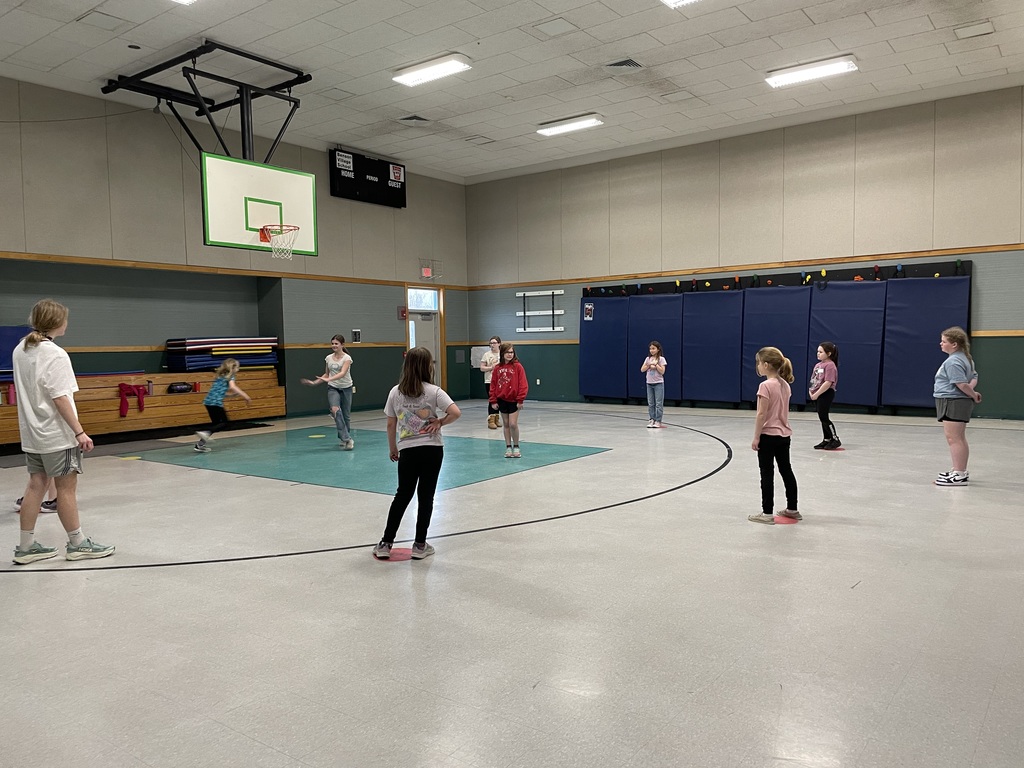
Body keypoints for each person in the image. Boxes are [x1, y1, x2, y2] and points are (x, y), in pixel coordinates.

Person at [11, 299, 115, 564]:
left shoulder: (20, 350)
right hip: (56, 435)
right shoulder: (55, 354)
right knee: (66, 489)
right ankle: (78, 543)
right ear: (57, 322)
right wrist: (79, 432)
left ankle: (26, 546)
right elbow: (60, 397)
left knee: (36, 485)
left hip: (33, 434)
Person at [373, 347, 461, 560]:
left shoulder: (396, 392)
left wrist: (393, 448)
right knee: (426, 496)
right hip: (432, 449)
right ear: (427, 366)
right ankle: (420, 545)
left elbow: (390, 423)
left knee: (402, 495)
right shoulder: (434, 391)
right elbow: (455, 412)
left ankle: (386, 542)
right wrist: (440, 422)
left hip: (408, 450)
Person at [748, 346, 800, 525]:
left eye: (759, 363)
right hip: (784, 436)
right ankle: (792, 508)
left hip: (768, 436)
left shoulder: (765, 386)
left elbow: (761, 414)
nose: (758, 366)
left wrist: (756, 437)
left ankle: (767, 512)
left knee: (767, 473)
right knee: (786, 470)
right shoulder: (785, 384)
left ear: (766, 365)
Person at [933, 326, 981, 486]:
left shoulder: (954, 361)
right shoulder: (965, 358)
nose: (940, 344)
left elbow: (960, 383)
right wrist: (971, 391)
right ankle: (958, 469)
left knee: (954, 438)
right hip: (955, 400)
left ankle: (959, 474)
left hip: (952, 401)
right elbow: (973, 377)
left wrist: (972, 395)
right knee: (957, 437)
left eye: (944, 341)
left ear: (954, 344)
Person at [301, 334, 354, 449]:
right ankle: (347, 439)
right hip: (333, 387)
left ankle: (344, 437)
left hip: (346, 388)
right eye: (332, 343)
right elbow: (326, 374)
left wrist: (329, 379)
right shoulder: (328, 358)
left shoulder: (347, 358)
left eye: (336, 344)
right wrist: (314, 382)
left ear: (342, 345)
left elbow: (342, 373)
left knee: (346, 416)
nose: (334, 346)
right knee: (335, 410)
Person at [194, 358, 251, 452]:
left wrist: (231, 395)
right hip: (215, 403)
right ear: (232, 368)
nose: (239, 369)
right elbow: (233, 387)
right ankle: (205, 432)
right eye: (238, 367)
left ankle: (199, 445)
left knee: (216, 425)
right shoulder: (231, 376)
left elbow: (218, 392)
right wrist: (246, 396)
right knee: (225, 423)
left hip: (208, 402)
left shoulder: (220, 376)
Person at [489, 342, 529, 458]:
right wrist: (493, 400)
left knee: (513, 424)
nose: (509, 355)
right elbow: (493, 384)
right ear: (502, 353)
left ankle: (516, 446)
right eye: (507, 352)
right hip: (502, 399)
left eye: (511, 352)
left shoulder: (518, 367)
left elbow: (523, 383)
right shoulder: (497, 368)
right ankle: (508, 447)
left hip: (514, 400)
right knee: (506, 424)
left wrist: (520, 399)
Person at [808, 341, 840, 450]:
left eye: (821, 352)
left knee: (824, 416)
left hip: (825, 393)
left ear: (829, 353)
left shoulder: (830, 365)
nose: (818, 354)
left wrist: (817, 394)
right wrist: (811, 391)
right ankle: (827, 439)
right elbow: (814, 379)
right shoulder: (818, 365)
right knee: (821, 417)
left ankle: (835, 438)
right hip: (817, 393)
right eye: (817, 351)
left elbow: (828, 382)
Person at [641, 340, 667, 428]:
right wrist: (648, 365)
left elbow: (662, 371)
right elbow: (642, 369)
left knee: (658, 403)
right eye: (650, 349)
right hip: (649, 383)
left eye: (653, 348)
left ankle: (658, 421)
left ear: (658, 349)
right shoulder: (648, 359)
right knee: (651, 403)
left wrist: (656, 366)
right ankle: (652, 419)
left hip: (658, 383)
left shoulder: (661, 359)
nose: (651, 350)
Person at [479, 336, 501, 430]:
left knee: (500, 400)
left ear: (499, 344)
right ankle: (491, 419)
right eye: (491, 343)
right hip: (490, 380)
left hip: (501, 381)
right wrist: (491, 368)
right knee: (492, 400)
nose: (492, 345)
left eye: (494, 343)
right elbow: (482, 368)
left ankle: (497, 418)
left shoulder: (502, 354)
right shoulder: (487, 355)